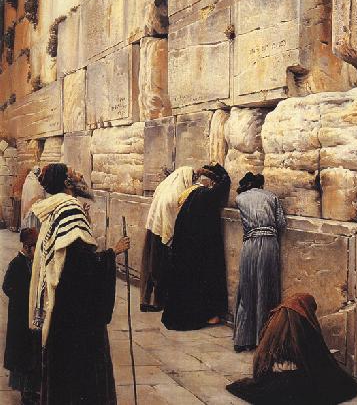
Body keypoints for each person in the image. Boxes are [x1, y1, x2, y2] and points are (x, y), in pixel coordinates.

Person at [28, 163, 130, 405]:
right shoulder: (70, 209)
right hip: (76, 316)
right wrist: (112, 253)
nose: (80, 175)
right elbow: (82, 267)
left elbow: (68, 256)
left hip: (62, 310)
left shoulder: (58, 208)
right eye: (74, 173)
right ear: (67, 183)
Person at [226, 292, 357, 404]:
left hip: (270, 377)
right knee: (337, 385)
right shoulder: (302, 324)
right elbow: (312, 358)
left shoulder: (275, 318)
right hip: (293, 380)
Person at [161, 162, 230, 331]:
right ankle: (195, 317)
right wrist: (219, 170)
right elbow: (225, 184)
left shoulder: (189, 195)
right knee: (197, 282)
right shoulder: (206, 195)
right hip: (197, 250)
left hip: (183, 248)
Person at [233, 172, 286, 353]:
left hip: (249, 245)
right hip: (269, 244)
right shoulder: (271, 196)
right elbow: (281, 223)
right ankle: (263, 338)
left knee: (246, 289)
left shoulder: (240, 199)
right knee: (267, 289)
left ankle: (243, 339)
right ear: (261, 185)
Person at [140, 166, 197, 312]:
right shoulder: (176, 192)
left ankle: (146, 300)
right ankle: (156, 302)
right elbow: (172, 217)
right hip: (162, 233)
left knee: (151, 266)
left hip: (153, 228)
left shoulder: (165, 186)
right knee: (158, 268)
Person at [3, 227, 41, 405]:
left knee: (31, 356)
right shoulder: (17, 263)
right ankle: (26, 393)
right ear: (27, 247)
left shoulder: (32, 263)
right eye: (35, 247)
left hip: (30, 317)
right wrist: (20, 299)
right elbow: (7, 286)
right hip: (20, 318)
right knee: (23, 358)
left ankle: (31, 391)